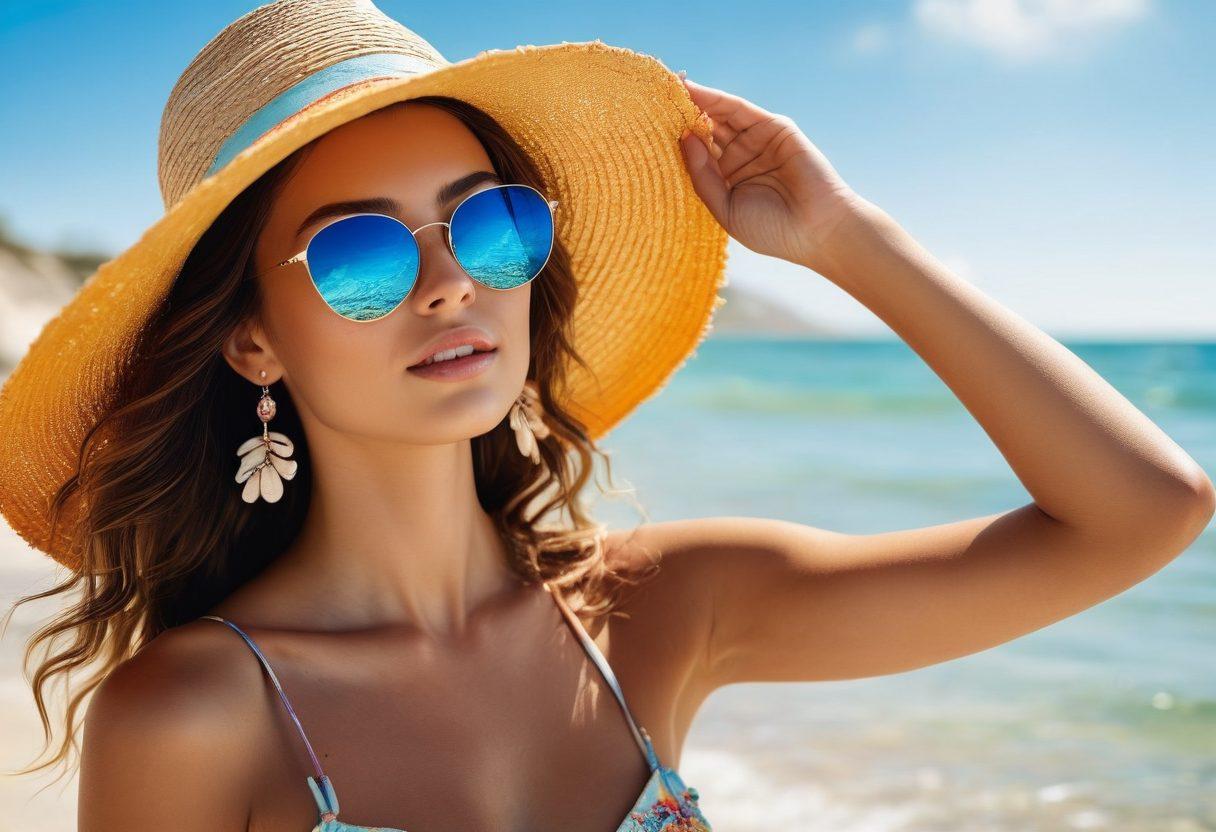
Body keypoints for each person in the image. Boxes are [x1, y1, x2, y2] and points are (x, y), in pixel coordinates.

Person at [1, 1, 1211, 830]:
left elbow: (1142, 513)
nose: (450, 283)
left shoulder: (659, 609)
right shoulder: (196, 713)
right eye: (361, 252)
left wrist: (849, 240)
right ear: (252, 336)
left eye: (489, 222)